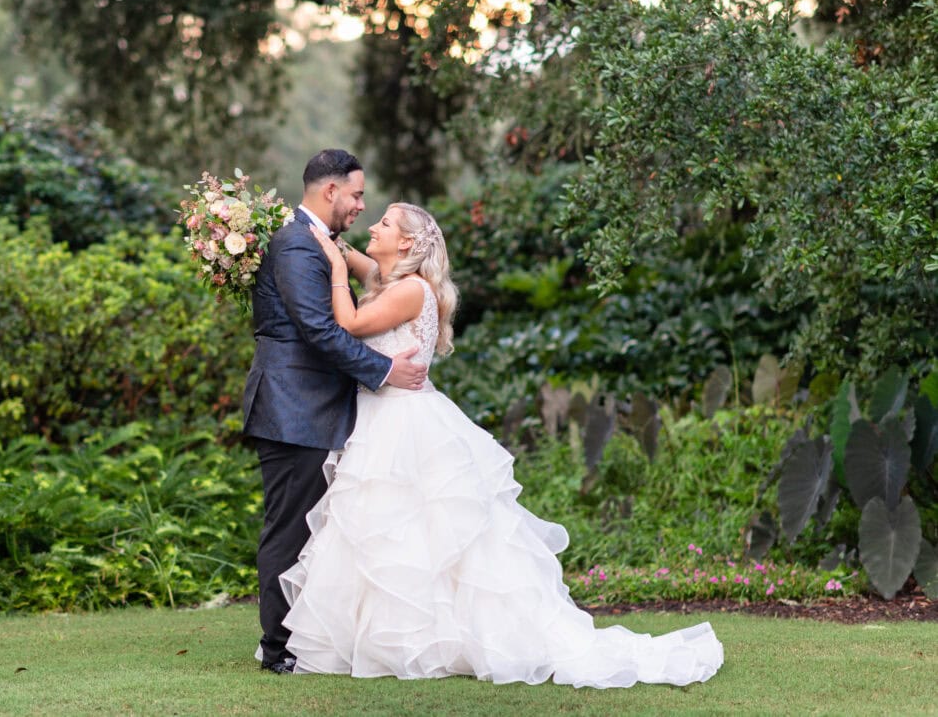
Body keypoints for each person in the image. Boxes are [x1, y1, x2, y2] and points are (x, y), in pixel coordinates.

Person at [277, 202, 725, 687]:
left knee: (414, 531)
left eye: (384, 223)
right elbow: (365, 262)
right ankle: (401, 638)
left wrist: (338, 267)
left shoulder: (408, 290)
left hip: (404, 423)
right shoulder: (397, 281)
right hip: (386, 416)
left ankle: (442, 638)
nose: (373, 226)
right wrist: (321, 236)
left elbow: (347, 324)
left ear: (406, 243)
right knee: (393, 533)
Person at [242, 150, 429, 675]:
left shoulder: (321, 244)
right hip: (293, 408)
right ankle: (280, 650)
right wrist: (384, 371)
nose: (361, 206)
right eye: (356, 195)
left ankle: (309, 640)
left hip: (314, 408)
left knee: (319, 533)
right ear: (330, 192)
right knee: (290, 531)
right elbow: (319, 331)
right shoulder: (298, 243)